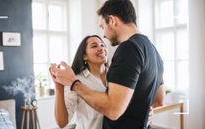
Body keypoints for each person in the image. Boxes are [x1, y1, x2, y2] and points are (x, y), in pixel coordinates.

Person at [50, 0, 165, 129]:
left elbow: (113, 110)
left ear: (112, 20)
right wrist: (143, 111)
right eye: (94, 46)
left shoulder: (128, 48)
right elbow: (159, 100)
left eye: (102, 27)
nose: (104, 35)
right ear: (84, 55)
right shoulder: (154, 51)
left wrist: (73, 83)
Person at [51, 35, 108, 129]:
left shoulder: (117, 76)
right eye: (94, 46)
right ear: (84, 56)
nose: (101, 48)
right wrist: (58, 87)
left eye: (102, 45)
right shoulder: (75, 80)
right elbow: (62, 123)